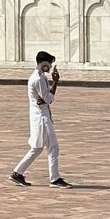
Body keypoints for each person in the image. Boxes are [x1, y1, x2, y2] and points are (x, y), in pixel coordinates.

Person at [11, 51, 70, 188]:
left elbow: (45, 99)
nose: (50, 67)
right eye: (49, 64)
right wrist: (55, 83)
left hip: (41, 116)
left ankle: (17, 173)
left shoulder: (39, 77)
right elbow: (48, 99)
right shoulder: (37, 79)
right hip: (41, 118)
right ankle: (54, 179)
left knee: (37, 148)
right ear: (44, 64)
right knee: (52, 147)